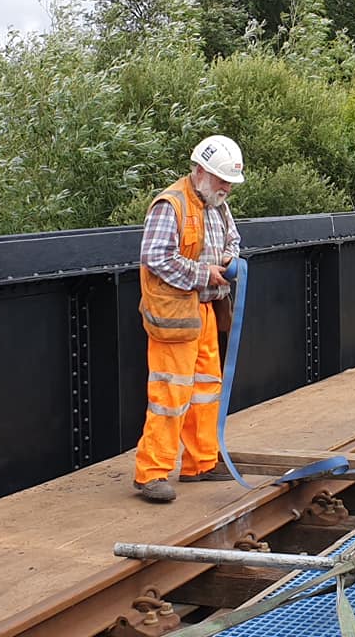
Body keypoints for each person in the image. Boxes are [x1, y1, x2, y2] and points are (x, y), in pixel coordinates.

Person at [133, 135, 245, 502]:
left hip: (206, 310)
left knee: (205, 390)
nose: (226, 188)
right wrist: (203, 273)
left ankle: (202, 462)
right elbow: (157, 257)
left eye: (229, 183)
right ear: (200, 171)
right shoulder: (171, 204)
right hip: (174, 315)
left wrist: (228, 261)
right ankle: (151, 473)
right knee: (170, 394)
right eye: (221, 181)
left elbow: (233, 241)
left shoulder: (217, 205)